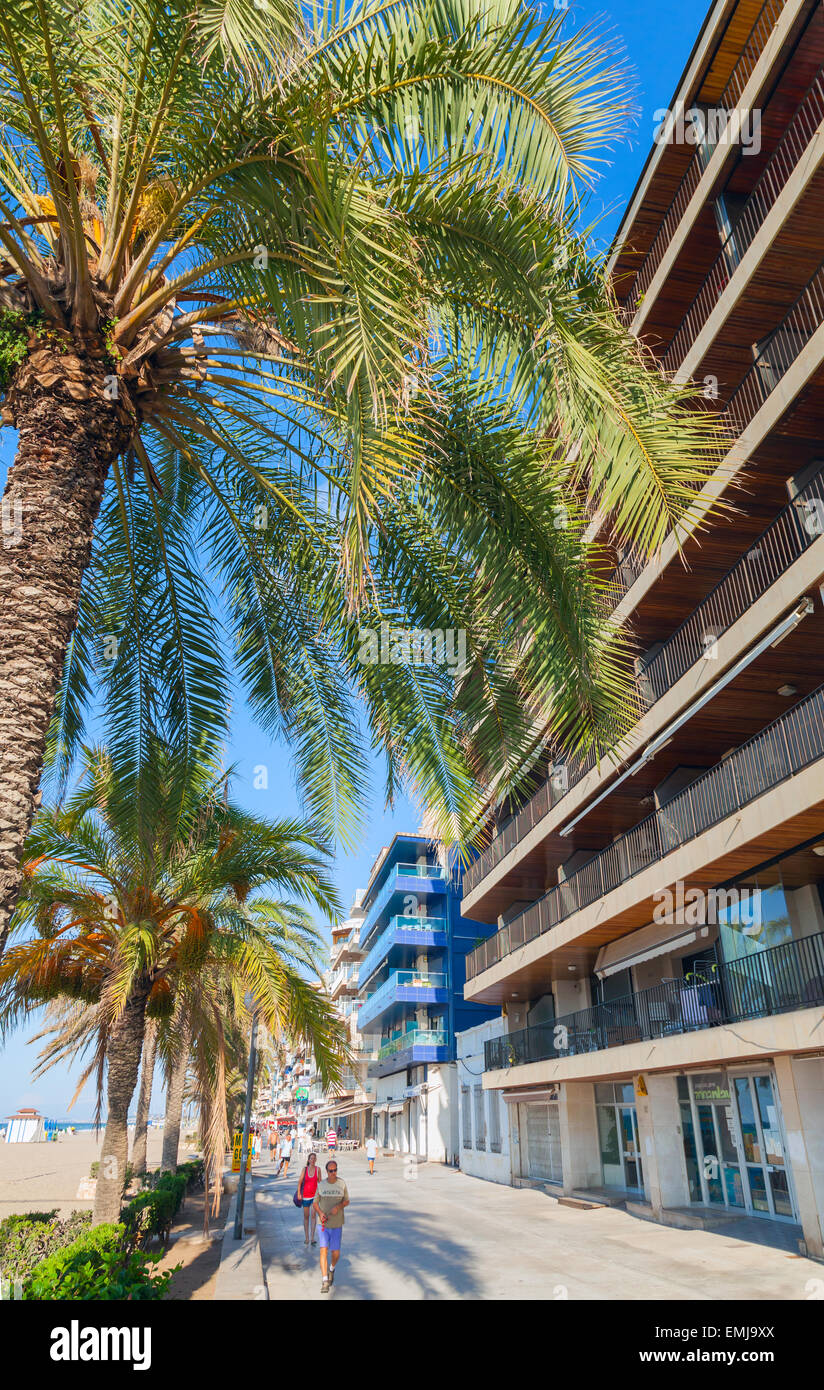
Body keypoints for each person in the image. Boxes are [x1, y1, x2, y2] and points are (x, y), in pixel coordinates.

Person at [313, 1159, 349, 1293]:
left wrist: (338, 1207)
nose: (333, 1173)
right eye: (330, 1171)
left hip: (337, 1224)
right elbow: (315, 1203)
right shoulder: (321, 1185)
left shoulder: (342, 1184)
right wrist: (321, 1213)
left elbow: (347, 1201)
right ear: (327, 1172)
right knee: (323, 1250)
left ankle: (331, 1269)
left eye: (335, 1170)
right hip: (322, 1224)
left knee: (335, 1252)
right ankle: (324, 1280)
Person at [296, 1151, 319, 1245]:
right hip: (305, 1196)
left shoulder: (318, 1169)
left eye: (314, 1158)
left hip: (314, 1197)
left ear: (316, 1160)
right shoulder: (304, 1169)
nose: (313, 1160)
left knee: (313, 1216)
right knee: (306, 1217)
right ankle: (307, 1238)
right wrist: (299, 1193)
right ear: (308, 1160)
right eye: (311, 1158)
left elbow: (320, 1183)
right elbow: (300, 1182)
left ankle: (312, 1238)